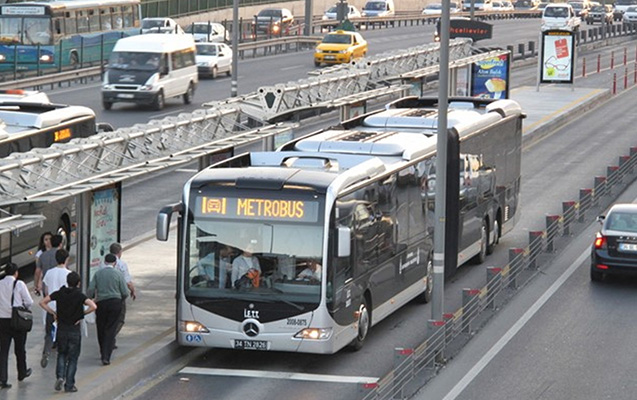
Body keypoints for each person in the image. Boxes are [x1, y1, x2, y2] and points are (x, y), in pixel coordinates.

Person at [40, 272, 96, 393]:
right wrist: (82, 315)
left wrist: (53, 313)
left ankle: (60, 376)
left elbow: (42, 302)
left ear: (67, 281)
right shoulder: (80, 295)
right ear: (78, 283)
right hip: (74, 331)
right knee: (73, 358)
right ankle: (69, 384)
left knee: (62, 354)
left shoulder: (59, 293)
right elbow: (93, 306)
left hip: (62, 329)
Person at [87, 254, 128, 366]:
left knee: (101, 327)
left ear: (104, 262)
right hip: (115, 303)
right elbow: (125, 292)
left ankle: (102, 351)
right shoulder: (118, 274)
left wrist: (90, 299)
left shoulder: (98, 274)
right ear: (115, 263)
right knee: (111, 328)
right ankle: (107, 356)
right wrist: (120, 300)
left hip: (101, 303)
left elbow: (91, 289)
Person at [0, 263, 33, 389]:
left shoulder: (0, 284)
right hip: (17, 320)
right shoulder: (19, 284)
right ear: (16, 273)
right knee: (20, 348)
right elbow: (29, 301)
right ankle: (22, 372)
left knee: (3, 350)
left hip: (2, 320)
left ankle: (3, 378)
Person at [40, 249, 72, 368]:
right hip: (63, 309)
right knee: (63, 334)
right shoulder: (69, 274)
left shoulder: (49, 273)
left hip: (51, 308)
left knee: (49, 333)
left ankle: (46, 352)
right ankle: (62, 356)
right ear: (66, 259)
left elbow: (47, 291)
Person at [109, 243, 136, 348]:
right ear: (119, 252)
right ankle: (110, 337)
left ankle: (110, 338)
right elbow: (127, 282)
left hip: (104, 296)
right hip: (118, 296)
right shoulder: (121, 264)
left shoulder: (103, 263)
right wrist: (132, 291)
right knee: (120, 319)